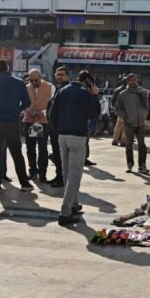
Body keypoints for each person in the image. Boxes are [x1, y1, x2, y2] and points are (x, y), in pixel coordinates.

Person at [48, 69, 100, 225]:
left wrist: (59, 131)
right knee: (75, 175)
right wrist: (95, 95)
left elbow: (51, 115)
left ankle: (74, 204)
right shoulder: (84, 93)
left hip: (62, 136)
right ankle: (65, 212)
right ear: (89, 82)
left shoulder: (62, 90)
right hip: (77, 136)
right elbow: (94, 114)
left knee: (66, 173)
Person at [0, 60, 33, 194]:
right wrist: (16, 110)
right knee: (17, 153)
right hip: (12, 121)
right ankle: (24, 183)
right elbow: (27, 102)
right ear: (8, 68)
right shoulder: (19, 82)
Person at [115, 73, 150, 174]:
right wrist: (124, 116)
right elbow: (117, 108)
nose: (133, 82)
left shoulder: (142, 92)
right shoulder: (123, 94)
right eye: (131, 80)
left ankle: (142, 166)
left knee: (142, 145)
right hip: (129, 123)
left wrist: (144, 116)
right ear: (127, 82)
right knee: (129, 145)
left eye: (135, 80)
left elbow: (147, 106)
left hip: (141, 124)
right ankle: (129, 165)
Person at [23, 69, 53, 182]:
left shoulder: (50, 87)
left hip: (43, 122)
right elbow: (21, 103)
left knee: (42, 149)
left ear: (40, 77)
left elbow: (52, 105)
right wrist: (27, 110)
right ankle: (32, 172)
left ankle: (42, 173)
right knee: (30, 149)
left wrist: (43, 113)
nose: (33, 82)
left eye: (35, 80)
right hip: (30, 121)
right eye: (31, 80)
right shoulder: (26, 88)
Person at [45, 66, 70, 187]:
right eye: (57, 74)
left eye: (62, 74)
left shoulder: (68, 89)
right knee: (56, 154)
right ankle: (59, 175)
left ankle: (63, 178)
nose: (59, 76)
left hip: (62, 128)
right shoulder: (58, 88)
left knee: (62, 155)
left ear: (67, 76)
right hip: (54, 128)